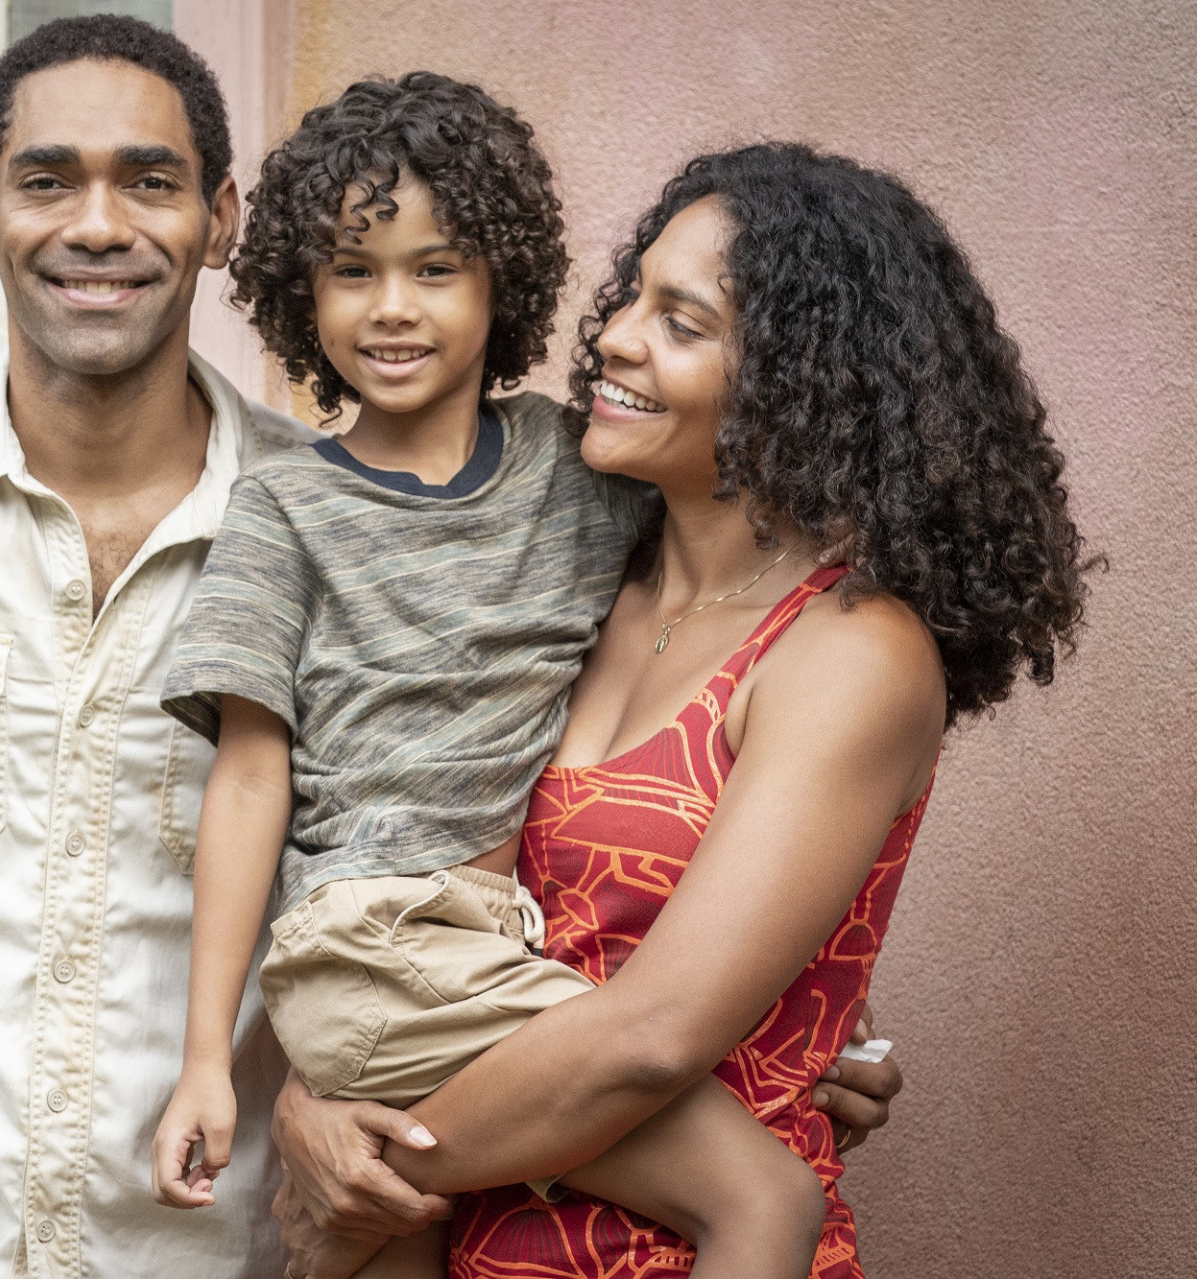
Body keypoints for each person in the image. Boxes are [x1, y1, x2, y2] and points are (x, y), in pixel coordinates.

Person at [0, 13, 900, 1273]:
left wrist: (770, 1020)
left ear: (217, 219)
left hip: (232, 1242)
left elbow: (610, 742)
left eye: (148, 181)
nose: (99, 223)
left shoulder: (373, 510)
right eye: (47, 181)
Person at [270, 143, 1094, 1279]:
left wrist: (367, 1167)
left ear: (802, 383)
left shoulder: (848, 650)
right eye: (631, 296)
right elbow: (410, 870)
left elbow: (650, 1040)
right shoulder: (574, 592)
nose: (612, 337)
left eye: (683, 321)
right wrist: (315, 1101)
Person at [150, 73, 828, 1279]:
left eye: (436, 268)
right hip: (370, 939)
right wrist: (208, 1055)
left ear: (501, 279)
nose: (391, 308)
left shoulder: (583, 472)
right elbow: (250, 781)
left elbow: (704, 670)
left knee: (402, 1247)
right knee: (759, 1193)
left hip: (498, 942)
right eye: (352, 272)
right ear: (298, 295)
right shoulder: (286, 508)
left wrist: (829, 1026)